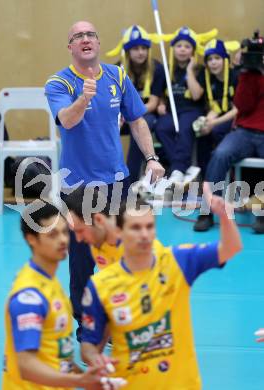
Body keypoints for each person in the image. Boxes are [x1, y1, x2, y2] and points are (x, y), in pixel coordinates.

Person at [45, 20, 165, 335]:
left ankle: (119, 320)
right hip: (78, 186)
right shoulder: (59, 83)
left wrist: (151, 158)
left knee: (119, 251)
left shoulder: (118, 76)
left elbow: (137, 120)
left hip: (116, 181)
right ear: (70, 46)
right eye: (77, 36)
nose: (85, 39)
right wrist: (84, 98)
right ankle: (87, 328)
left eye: (90, 35)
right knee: (83, 260)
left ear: (98, 43)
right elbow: (66, 122)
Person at [80, 186, 242, 389]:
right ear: (119, 231)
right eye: (136, 228)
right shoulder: (99, 286)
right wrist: (95, 358)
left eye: (149, 227)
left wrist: (226, 217)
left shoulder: (177, 261)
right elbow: (89, 343)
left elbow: (230, 248)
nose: (145, 234)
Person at [2, 203, 103, 389]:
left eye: (65, 232)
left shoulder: (51, 283)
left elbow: (58, 355)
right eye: (53, 235)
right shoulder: (29, 296)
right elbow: (26, 365)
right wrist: (79, 381)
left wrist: (91, 380)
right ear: (31, 239)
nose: (63, 240)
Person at [193, 44, 264, 233]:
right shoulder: (249, 74)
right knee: (220, 154)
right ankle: (207, 210)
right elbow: (241, 105)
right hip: (245, 130)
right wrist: (247, 74)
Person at [153, 27, 216, 185]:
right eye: (179, 46)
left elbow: (196, 94)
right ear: (173, 49)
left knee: (185, 128)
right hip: (172, 110)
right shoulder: (166, 70)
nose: (182, 50)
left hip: (192, 110)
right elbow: (159, 93)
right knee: (162, 127)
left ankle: (177, 169)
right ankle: (182, 167)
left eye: (187, 47)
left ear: (193, 51)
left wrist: (190, 72)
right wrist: (160, 104)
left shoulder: (199, 69)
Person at [106, 25, 166, 183]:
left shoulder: (156, 68)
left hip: (145, 115)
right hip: (120, 116)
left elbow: (153, 103)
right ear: (127, 51)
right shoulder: (117, 69)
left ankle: (130, 181)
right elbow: (113, 100)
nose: (140, 52)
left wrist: (131, 114)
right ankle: (102, 180)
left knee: (139, 128)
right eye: (135, 48)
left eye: (143, 48)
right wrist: (119, 116)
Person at [64, 185, 164, 272]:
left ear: (99, 220)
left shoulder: (142, 246)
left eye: (80, 231)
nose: (78, 239)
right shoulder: (97, 244)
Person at [193, 39, 240, 176]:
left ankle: (228, 176)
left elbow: (237, 109)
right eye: (209, 59)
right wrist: (206, 122)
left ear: (225, 59)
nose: (213, 62)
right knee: (201, 134)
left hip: (236, 119)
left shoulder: (236, 76)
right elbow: (215, 107)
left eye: (217, 58)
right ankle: (207, 179)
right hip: (217, 118)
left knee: (217, 131)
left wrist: (213, 123)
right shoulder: (207, 77)